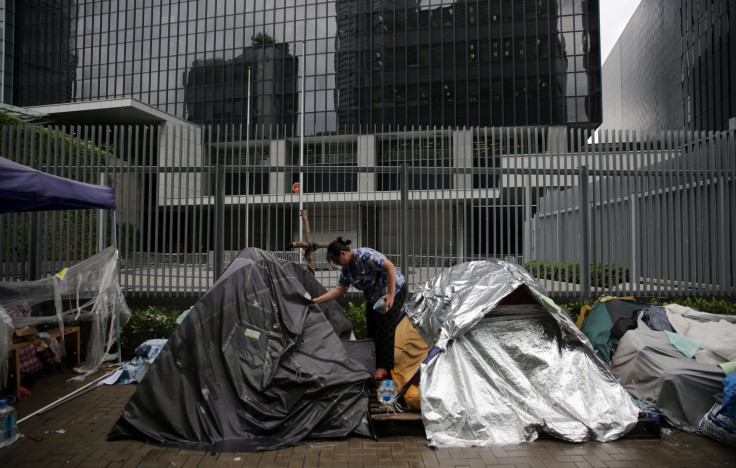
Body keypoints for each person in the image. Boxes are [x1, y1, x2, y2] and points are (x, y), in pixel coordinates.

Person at [314, 237, 407, 381]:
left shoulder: (365, 255)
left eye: (336, 260)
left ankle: (385, 368)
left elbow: (390, 267)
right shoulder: (346, 271)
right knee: (372, 327)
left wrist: (390, 294)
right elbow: (340, 289)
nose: (337, 264)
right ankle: (374, 362)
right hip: (375, 298)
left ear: (343, 254)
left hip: (394, 290)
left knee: (385, 327)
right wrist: (318, 300)